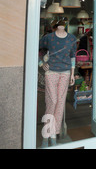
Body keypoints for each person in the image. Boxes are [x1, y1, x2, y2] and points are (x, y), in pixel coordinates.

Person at [39, 19, 77, 147]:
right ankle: (46, 133)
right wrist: (41, 63)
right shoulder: (48, 37)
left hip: (65, 73)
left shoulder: (72, 38)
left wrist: (72, 73)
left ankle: (54, 134)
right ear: (57, 26)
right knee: (52, 101)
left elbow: (73, 56)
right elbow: (35, 47)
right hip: (51, 72)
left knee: (60, 102)